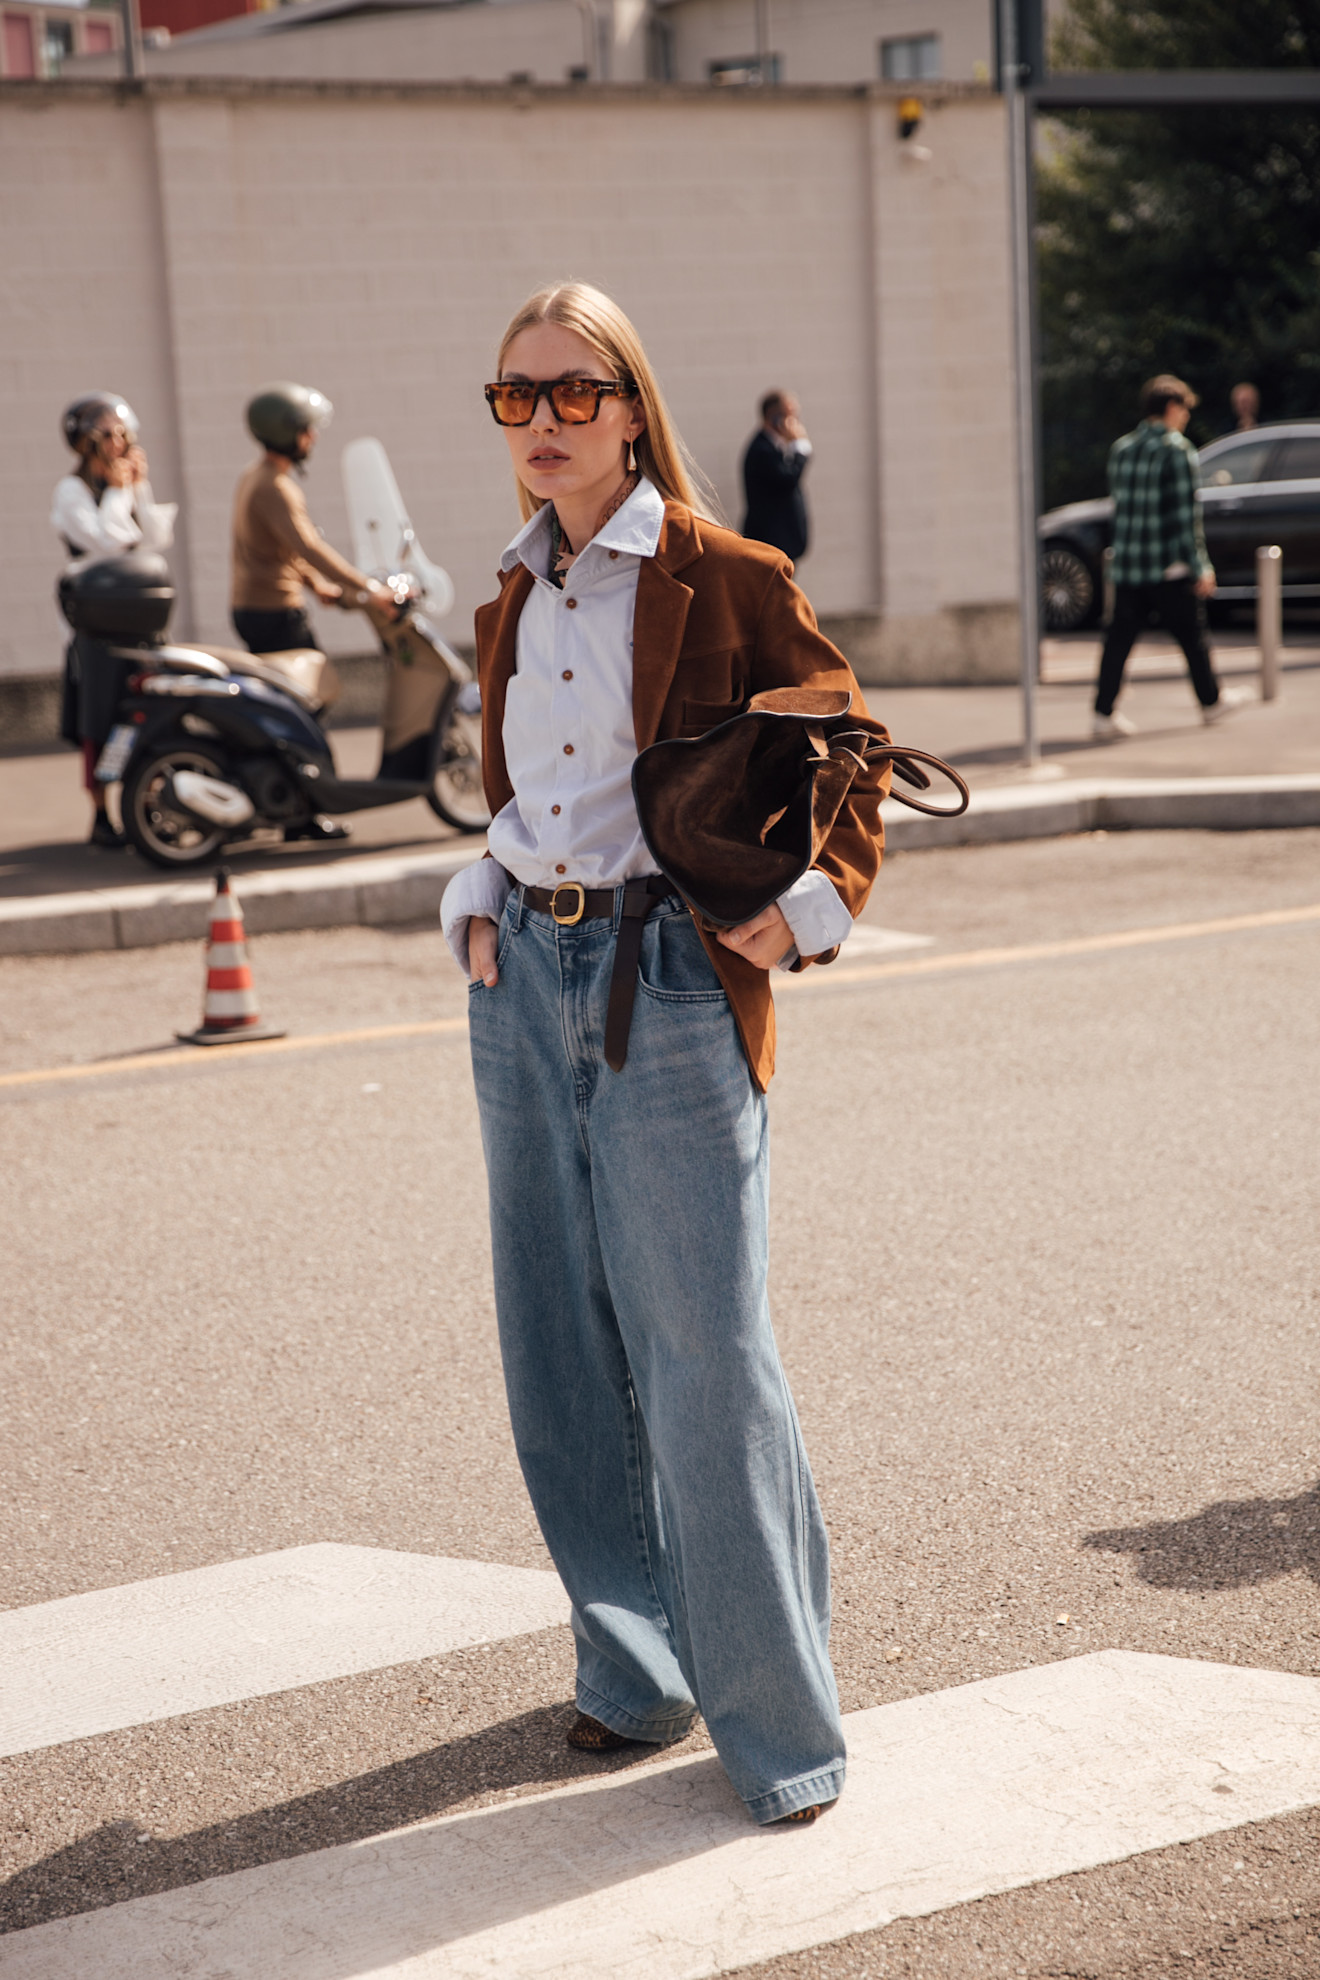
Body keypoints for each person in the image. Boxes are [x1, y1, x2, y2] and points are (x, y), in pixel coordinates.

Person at [441, 282, 888, 1828]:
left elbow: (850, 745)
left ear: (632, 405)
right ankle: (633, 1670)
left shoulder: (722, 572)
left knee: (706, 1359)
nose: (545, 423)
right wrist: (476, 888)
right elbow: (518, 791)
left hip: (672, 981)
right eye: (517, 398)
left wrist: (819, 905)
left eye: (574, 393)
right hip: (523, 977)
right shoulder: (512, 590)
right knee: (560, 1349)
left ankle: (780, 1726)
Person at [231, 381, 393, 840]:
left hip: (256, 608)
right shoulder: (276, 487)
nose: (313, 438)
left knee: (288, 708)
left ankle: (281, 804)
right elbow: (307, 545)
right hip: (274, 613)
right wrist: (368, 587)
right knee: (304, 710)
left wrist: (314, 584)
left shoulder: (255, 477)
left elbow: (276, 550)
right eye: (307, 430)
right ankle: (301, 814)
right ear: (286, 433)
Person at [1093, 375, 1251, 740]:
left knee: (1118, 640)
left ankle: (1102, 713)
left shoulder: (1122, 448)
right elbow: (1185, 518)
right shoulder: (1177, 450)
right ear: (1170, 408)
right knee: (1192, 636)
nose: (1185, 418)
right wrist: (1201, 566)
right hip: (1167, 565)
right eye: (1184, 410)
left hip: (1130, 563)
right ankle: (1211, 701)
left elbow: (1121, 509)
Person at [51, 393, 177, 848]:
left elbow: (154, 538)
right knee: (99, 720)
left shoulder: (124, 484)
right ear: (85, 442)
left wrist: (138, 488)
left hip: (137, 617)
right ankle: (102, 811)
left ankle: (148, 798)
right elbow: (105, 541)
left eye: (123, 433)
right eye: (107, 434)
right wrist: (121, 492)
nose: (118, 443)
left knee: (151, 708)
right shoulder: (72, 492)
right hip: (96, 625)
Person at [741, 390, 812, 562]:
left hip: (784, 542)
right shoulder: (762, 450)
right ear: (775, 418)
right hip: (772, 541)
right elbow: (788, 479)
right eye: (791, 416)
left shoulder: (775, 446)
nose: (796, 423)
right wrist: (799, 446)